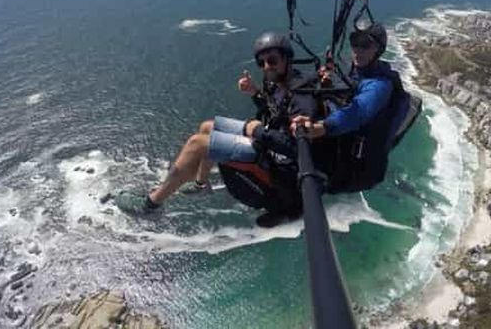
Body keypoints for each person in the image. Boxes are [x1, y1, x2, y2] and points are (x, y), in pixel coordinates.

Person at [115, 32, 318, 215]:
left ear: (287, 58)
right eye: (261, 62)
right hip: (267, 138)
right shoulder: (282, 83)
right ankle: (201, 185)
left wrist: (256, 131)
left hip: (279, 163)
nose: (266, 67)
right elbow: (276, 112)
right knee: (207, 127)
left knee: (198, 144)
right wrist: (255, 93)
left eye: (272, 60)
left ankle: (150, 205)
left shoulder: (302, 96)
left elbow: (297, 147)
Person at [291, 18, 408, 192]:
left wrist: (322, 127)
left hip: (355, 171)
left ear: (378, 50)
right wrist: (328, 84)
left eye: (365, 45)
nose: (358, 50)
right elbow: (345, 93)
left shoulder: (380, 85)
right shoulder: (352, 71)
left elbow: (358, 111)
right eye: (355, 42)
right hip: (340, 147)